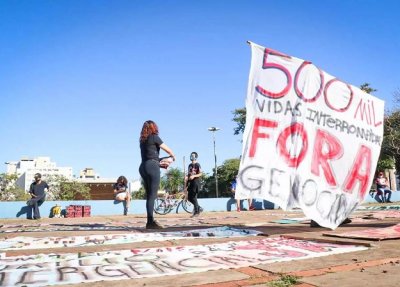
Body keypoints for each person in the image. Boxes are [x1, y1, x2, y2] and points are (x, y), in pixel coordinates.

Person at [139, 120, 175, 229]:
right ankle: (150, 222)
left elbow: (151, 157)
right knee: (152, 196)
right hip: (152, 166)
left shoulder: (142, 141)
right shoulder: (154, 137)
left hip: (143, 167)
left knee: (149, 195)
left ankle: (150, 221)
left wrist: (161, 162)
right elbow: (168, 150)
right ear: (154, 127)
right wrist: (172, 157)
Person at [185, 152, 203, 217]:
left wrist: (194, 176)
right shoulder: (189, 165)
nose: (191, 157)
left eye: (193, 156)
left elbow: (201, 173)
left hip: (196, 182)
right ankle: (198, 207)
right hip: (190, 182)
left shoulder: (198, 164)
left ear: (195, 157)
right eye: (191, 155)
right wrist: (187, 177)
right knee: (189, 198)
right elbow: (189, 173)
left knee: (194, 197)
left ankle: (196, 212)